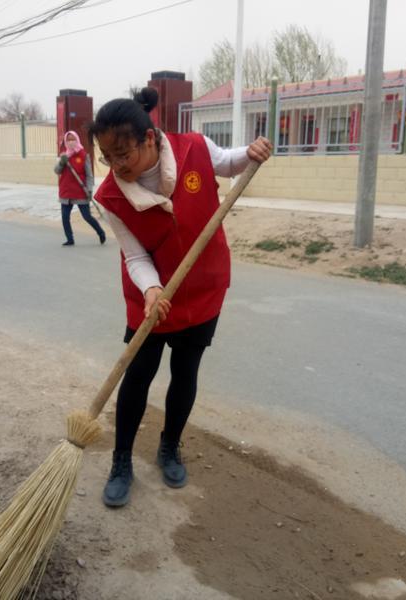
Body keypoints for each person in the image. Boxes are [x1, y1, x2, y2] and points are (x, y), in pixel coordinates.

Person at [89, 87, 272, 507]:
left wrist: (252, 151)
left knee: (185, 372)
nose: (117, 167)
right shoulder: (110, 196)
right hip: (149, 296)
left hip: (203, 289)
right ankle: (121, 459)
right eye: (108, 157)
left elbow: (227, 162)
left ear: (149, 139)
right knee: (137, 377)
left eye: (124, 154)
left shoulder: (193, 148)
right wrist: (152, 290)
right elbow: (134, 254)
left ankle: (169, 447)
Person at [54, 130, 106, 246]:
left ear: (77, 140)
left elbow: (89, 175)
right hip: (66, 191)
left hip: (81, 191)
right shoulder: (63, 155)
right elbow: (56, 171)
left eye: (73, 139)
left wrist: (89, 189)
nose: (70, 141)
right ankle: (70, 239)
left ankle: (100, 232)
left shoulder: (83, 155)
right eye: (68, 139)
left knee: (86, 216)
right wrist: (62, 162)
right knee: (65, 217)